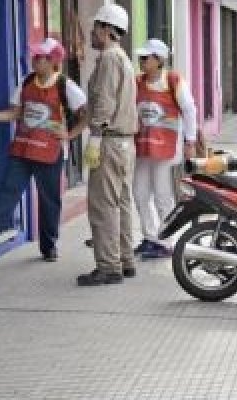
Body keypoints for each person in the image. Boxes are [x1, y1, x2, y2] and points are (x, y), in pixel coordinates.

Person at [0, 38, 88, 262]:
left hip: (49, 152)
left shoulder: (65, 86)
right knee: (9, 189)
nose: (35, 60)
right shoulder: (26, 83)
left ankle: (49, 245)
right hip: (23, 148)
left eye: (40, 58)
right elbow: (15, 113)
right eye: (35, 56)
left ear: (53, 61)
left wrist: (71, 135)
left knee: (49, 200)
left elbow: (86, 114)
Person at [76, 3, 138, 286]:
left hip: (110, 140)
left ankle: (108, 266)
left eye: (94, 27)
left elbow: (104, 100)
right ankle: (125, 259)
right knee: (121, 203)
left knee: (102, 205)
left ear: (106, 29)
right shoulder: (123, 58)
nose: (91, 33)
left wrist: (96, 137)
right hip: (125, 143)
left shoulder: (109, 59)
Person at [132, 38, 197, 259]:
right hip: (143, 147)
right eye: (141, 58)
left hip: (167, 148)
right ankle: (150, 237)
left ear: (159, 60)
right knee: (140, 193)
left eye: (146, 58)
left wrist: (190, 141)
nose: (141, 61)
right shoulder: (137, 82)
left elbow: (189, 110)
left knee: (162, 195)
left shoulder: (173, 81)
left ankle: (168, 241)